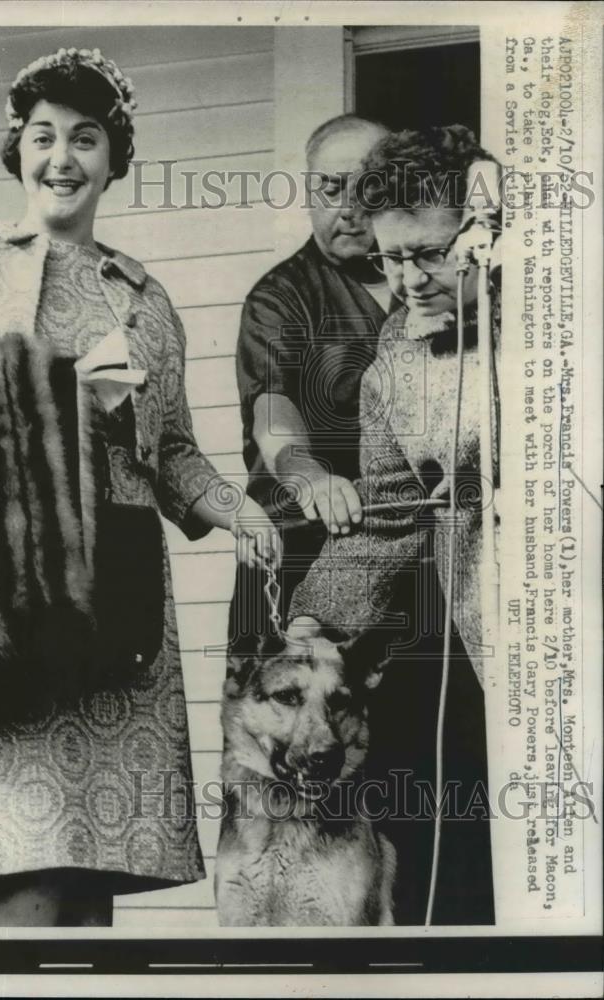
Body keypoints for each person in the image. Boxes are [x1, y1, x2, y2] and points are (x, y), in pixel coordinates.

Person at [0, 46, 278, 927]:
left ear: (114, 158)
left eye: (85, 139)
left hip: (122, 597)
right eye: (44, 136)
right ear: (17, 149)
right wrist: (57, 394)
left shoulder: (145, 298)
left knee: (95, 878)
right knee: (28, 867)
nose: (63, 159)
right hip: (7, 591)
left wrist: (239, 509)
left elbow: (171, 453)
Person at [289, 124, 498, 924]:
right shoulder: (395, 357)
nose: (407, 279)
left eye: (428, 254)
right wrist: (313, 617)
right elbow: (386, 512)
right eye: (389, 258)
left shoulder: (567, 322)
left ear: (481, 238)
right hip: (490, 629)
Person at [230, 114, 392, 652]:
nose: (347, 208)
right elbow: (271, 416)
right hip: (300, 549)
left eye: (367, 188)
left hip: (404, 554)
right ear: (306, 192)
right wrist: (312, 479)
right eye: (330, 187)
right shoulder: (280, 297)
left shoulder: (426, 286)